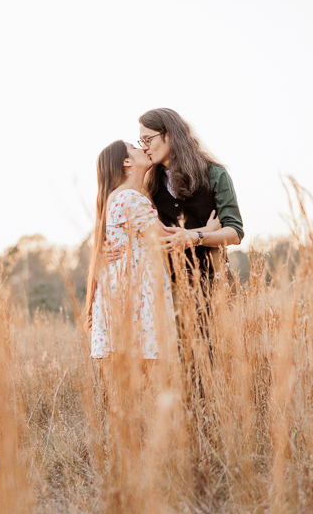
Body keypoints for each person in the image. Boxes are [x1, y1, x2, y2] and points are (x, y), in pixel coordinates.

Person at [85, 140, 220, 360]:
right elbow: (166, 238)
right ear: (127, 161)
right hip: (136, 288)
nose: (144, 149)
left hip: (127, 285)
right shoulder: (130, 197)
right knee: (144, 367)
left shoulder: (123, 195)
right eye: (136, 148)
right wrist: (207, 231)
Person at [138, 108, 243, 283]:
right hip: (169, 288)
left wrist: (196, 238)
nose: (144, 148)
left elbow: (235, 232)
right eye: (141, 142)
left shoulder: (215, 174)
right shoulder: (147, 185)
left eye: (148, 139)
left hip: (215, 283)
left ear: (170, 135)